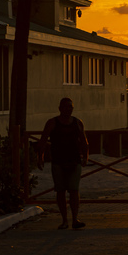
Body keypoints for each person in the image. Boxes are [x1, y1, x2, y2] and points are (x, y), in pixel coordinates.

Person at [37, 97, 89, 230]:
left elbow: (84, 141)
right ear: (60, 108)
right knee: (60, 191)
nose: (68, 109)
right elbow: (43, 140)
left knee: (74, 190)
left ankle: (75, 219)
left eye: (70, 107)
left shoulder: (77, 122)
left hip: (74, 161)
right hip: (58, 161)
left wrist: (85, 157)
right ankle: (64, 220)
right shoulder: (52, 123)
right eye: (65, 107)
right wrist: (40, 157)